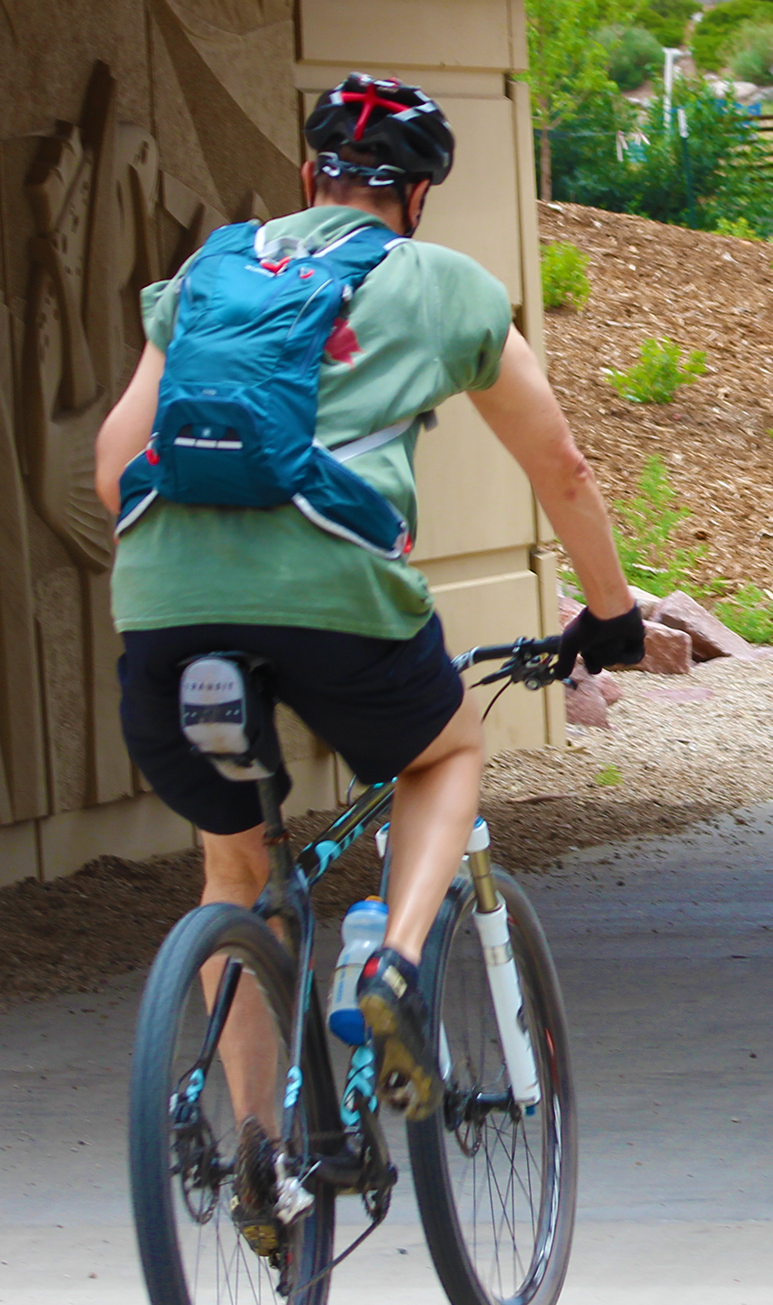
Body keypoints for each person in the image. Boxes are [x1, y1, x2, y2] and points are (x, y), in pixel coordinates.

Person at [93, 73, 643, 1118]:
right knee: (444, 751)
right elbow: (561, 466)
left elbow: (113, 468)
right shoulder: (441, 284)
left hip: (165, 605)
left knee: (236, 877)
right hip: (334, 598)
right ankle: (393, 965)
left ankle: (258, 1164)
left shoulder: (208, 273)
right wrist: (608, 615)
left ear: (308, 176)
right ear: (418, 199)